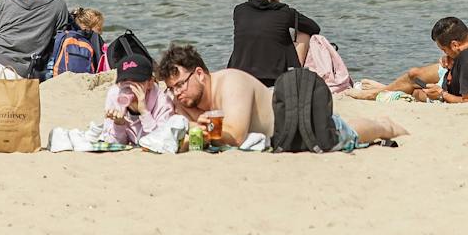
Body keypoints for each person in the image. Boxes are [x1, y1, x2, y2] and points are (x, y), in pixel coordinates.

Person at [158, 44, 406, 149]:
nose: (177, 93)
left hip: (297, 121)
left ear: (199, 73)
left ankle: (387, 125)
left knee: (345, 133)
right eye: (172, 88)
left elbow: (234, 133)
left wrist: (201, 127)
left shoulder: (231, 82)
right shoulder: (185, 101)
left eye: (180, 84)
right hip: (280, 133)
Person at [227, 0, 321, 86]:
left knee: (249, 38)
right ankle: (295, 74)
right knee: (303, 33)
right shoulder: (285, 12)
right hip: (276, 81)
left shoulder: (239, 10)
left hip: (240, 79)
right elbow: (314, 27)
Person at [101, 50, 175, 144]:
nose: (129, 87)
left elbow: (160, 142)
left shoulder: (163, 102)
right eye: (124, 80)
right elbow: (113, 143)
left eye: (136, 81)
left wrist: (144, 112)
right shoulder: (114, 95)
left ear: (150, 83)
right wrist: (119, 124)